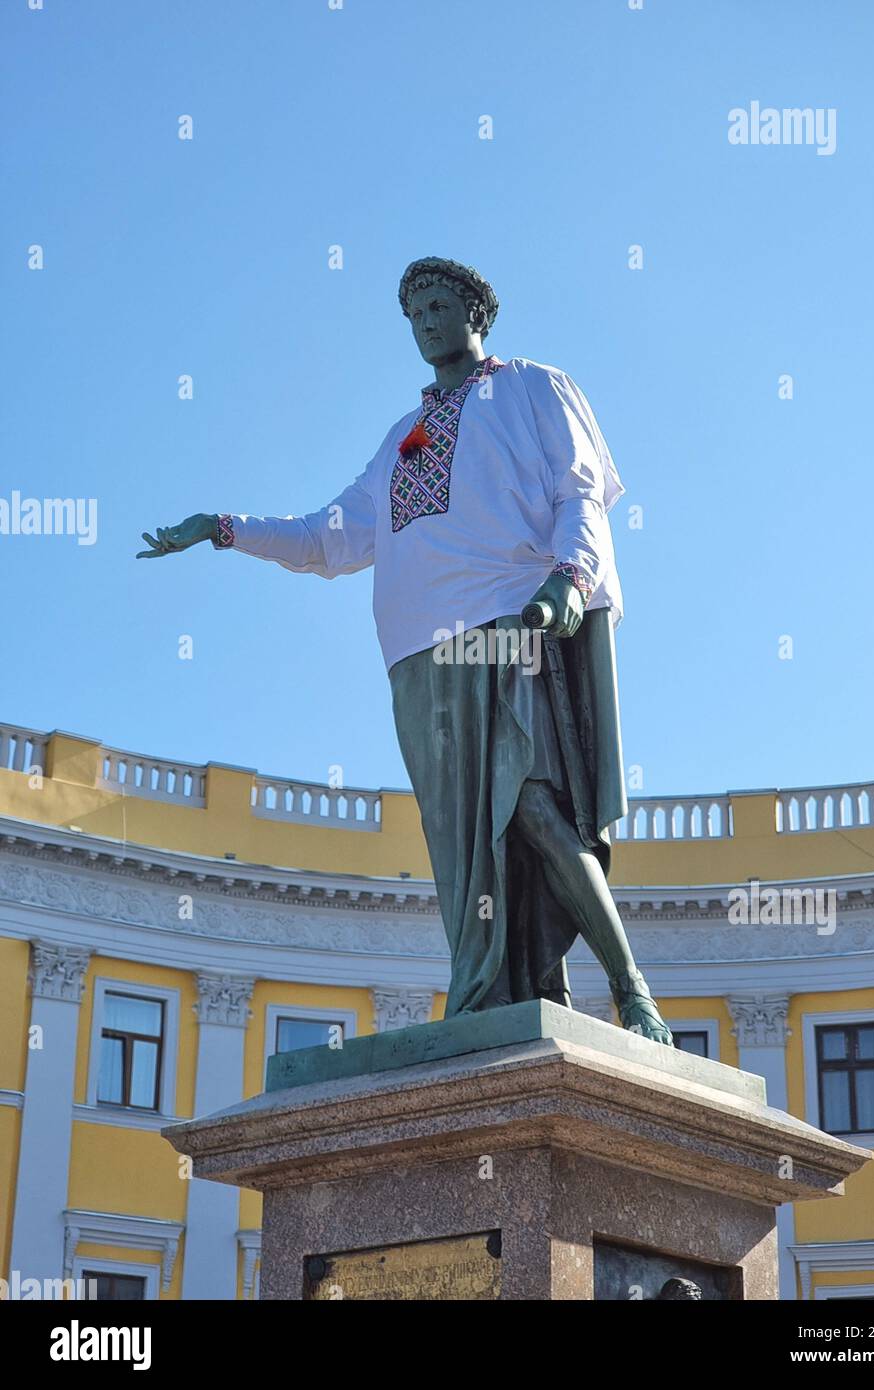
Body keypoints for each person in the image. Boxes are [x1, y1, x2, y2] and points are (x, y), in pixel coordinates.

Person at [137, 256, 673, 1044]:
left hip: (509, 622)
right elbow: (326, 539)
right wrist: (223, 528)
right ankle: (504, 993)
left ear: (475, 312)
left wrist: (570, 574)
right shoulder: (404, 438)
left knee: (530, 805)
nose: (423, 320)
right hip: (418, 658)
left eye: (437, 304)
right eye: (412, 311)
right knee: (463, 844)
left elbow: (580, 489)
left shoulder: (531, 386)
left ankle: (632, 991)